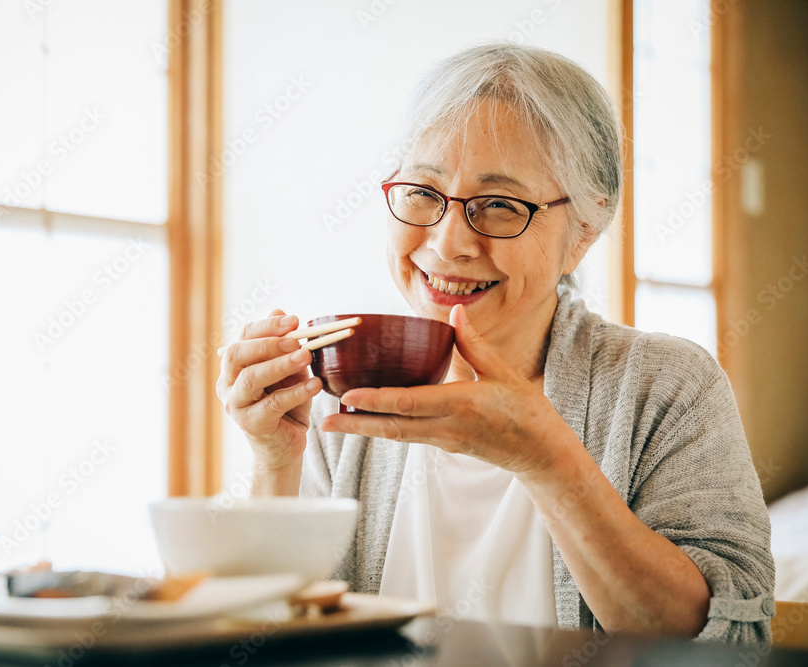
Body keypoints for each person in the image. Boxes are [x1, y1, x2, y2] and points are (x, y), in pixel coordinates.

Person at [215, 42, 773, 643]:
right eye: (423, 193)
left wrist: (548, 461)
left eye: (500, 205)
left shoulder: (667, 386)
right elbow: (272, 640)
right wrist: (276, 461)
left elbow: (733, 643)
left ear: (583, 232)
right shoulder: (342, 395)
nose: (449, 241)